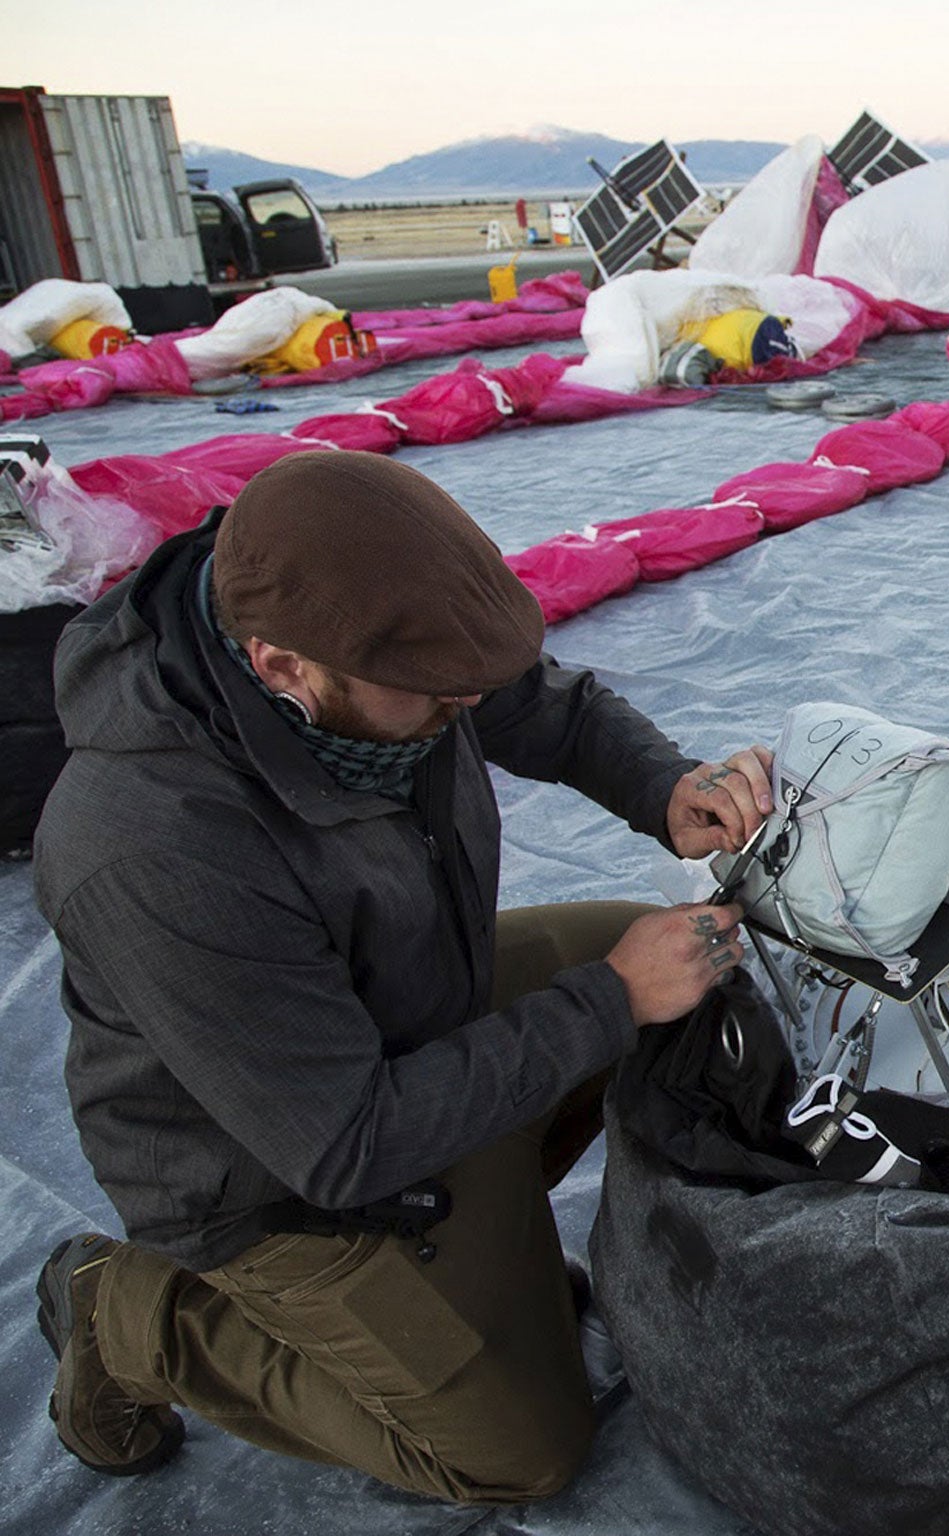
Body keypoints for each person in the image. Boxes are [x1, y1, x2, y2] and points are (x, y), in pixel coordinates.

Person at [30, 451, 773, 1502]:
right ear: (281, 666)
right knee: (520, 1452)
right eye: (434, 697)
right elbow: (344, 1143)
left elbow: (537, 705)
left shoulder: (357, 620)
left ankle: (480, 1232)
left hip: (410, 1016)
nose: (465, 704)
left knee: (680, 966)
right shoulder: (152, 844)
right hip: (274, 1178)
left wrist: (664, 788)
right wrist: (604, 999)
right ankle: (133, 1315)